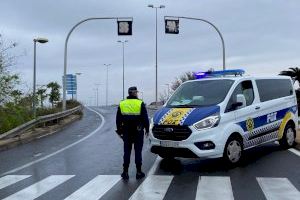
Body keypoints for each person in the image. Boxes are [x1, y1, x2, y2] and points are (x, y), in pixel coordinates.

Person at [116, 86, 150, 180]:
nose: (137, 94)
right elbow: (145, 118)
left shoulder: (122, 103)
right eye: (136, 92)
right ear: (134, 93)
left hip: (126, 131)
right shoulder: (140, 103)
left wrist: (119, 130)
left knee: (127, 151)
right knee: (138, 151)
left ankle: (125, 172)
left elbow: (118, 119)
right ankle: (138, 172)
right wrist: (147, 129)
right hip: (138, 131)